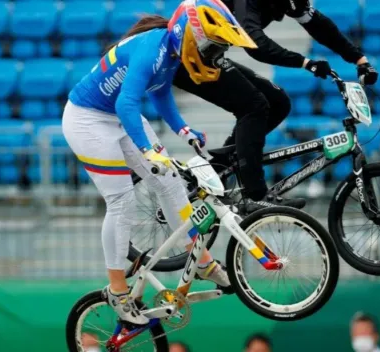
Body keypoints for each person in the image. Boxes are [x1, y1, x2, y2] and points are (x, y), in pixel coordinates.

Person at [63, 0, 256, 325]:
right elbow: (126, 102)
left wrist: (183, 130)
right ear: (192, 36)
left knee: (170, 182)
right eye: (212, 46)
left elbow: (160, 94)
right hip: (88, 121)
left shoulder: (169, 50)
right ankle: (117, 288)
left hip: (118, 117)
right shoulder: (153, 49)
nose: (214, 55)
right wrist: (148, 150)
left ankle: (204, 261)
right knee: (121, 200)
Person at [173, 0, 379, 211]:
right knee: (255, 105)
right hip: (187, 59)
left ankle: (219, 168)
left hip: (208, 55)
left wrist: (359, 60)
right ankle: (256, 194)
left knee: (278, 102)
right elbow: (256, 44)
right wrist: (305, 62)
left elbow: (321, 27)